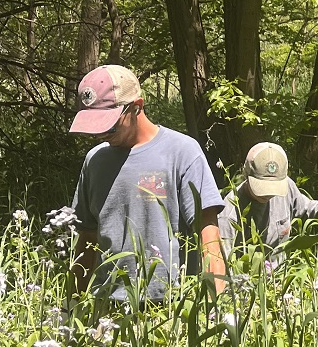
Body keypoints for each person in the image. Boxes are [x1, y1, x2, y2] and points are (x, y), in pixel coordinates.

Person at [69, 64, 227, 301]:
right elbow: (87, 240)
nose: (101, 134)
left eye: (108, 124)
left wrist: (217, 308)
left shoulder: (181, 152)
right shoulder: (95, 161)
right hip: (108, 310)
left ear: (136, 107)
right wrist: (70, 307)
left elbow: (209, 235)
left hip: (173, 308)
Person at [218, 142, 318, 256]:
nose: (268, 193)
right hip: (247, 277)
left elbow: (306, 208)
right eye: (263, 186)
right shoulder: (229, 214)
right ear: (246, 176)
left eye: (274, 186)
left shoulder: (288, 187)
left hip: (280, 273)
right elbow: (223, 264)